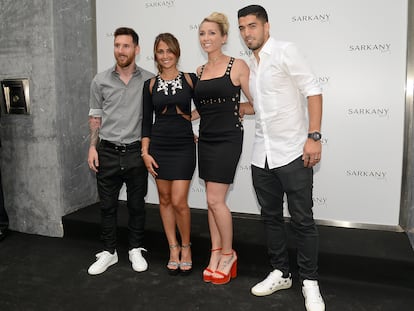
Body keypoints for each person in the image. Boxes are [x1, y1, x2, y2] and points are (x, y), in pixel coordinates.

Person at [237, 5, 325, 311]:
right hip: (262, 155)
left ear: (266, 27)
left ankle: (310, 283)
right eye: (242, 28)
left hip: (292, 152)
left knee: (303, 220)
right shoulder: (250, 64)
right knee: (271, 218)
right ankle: (280, 272)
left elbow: (313, 91)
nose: (247, 33)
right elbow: (258, 108)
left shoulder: (287, 51)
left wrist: (314, 137)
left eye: (252, 26)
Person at [87, 27, 154, 275]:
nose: (120, 50)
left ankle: (135, 248)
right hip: (107, 151)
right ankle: (109, 252)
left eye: (126, 46)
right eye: (117, 45)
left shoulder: (149, 80)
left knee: (137, 205)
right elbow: (95, 116)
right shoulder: (100, 80)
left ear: (136, 49)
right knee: (107, 206)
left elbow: (158, 116)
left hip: (137, 151)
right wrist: (92, 147)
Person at [193, 12, 253, 285]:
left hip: (228, 139)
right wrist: (183, 118)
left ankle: (229, 254)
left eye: (212, 33)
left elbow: (256, 104)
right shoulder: (199, 71)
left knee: (216, 201)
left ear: (224, 37)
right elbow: (203, 108)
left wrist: (238, 108)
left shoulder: (237, 65)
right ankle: (215, 253)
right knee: (211, 201)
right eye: (203, 33)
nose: (206, 38)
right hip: (205, 139)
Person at [141, 33, 197, 276]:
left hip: (184, 146)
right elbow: (146, 122)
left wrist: (192, 121)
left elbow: (208, 107)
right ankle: (173, 248)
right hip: (159, 145)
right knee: (164, 199)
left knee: (178, 201)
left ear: (177, 52)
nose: (165, 56)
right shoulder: (150, 85)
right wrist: (145, 152)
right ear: (155, 55)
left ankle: (187, 247)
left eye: (169, 51)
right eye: (160, 51)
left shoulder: (190, 79)